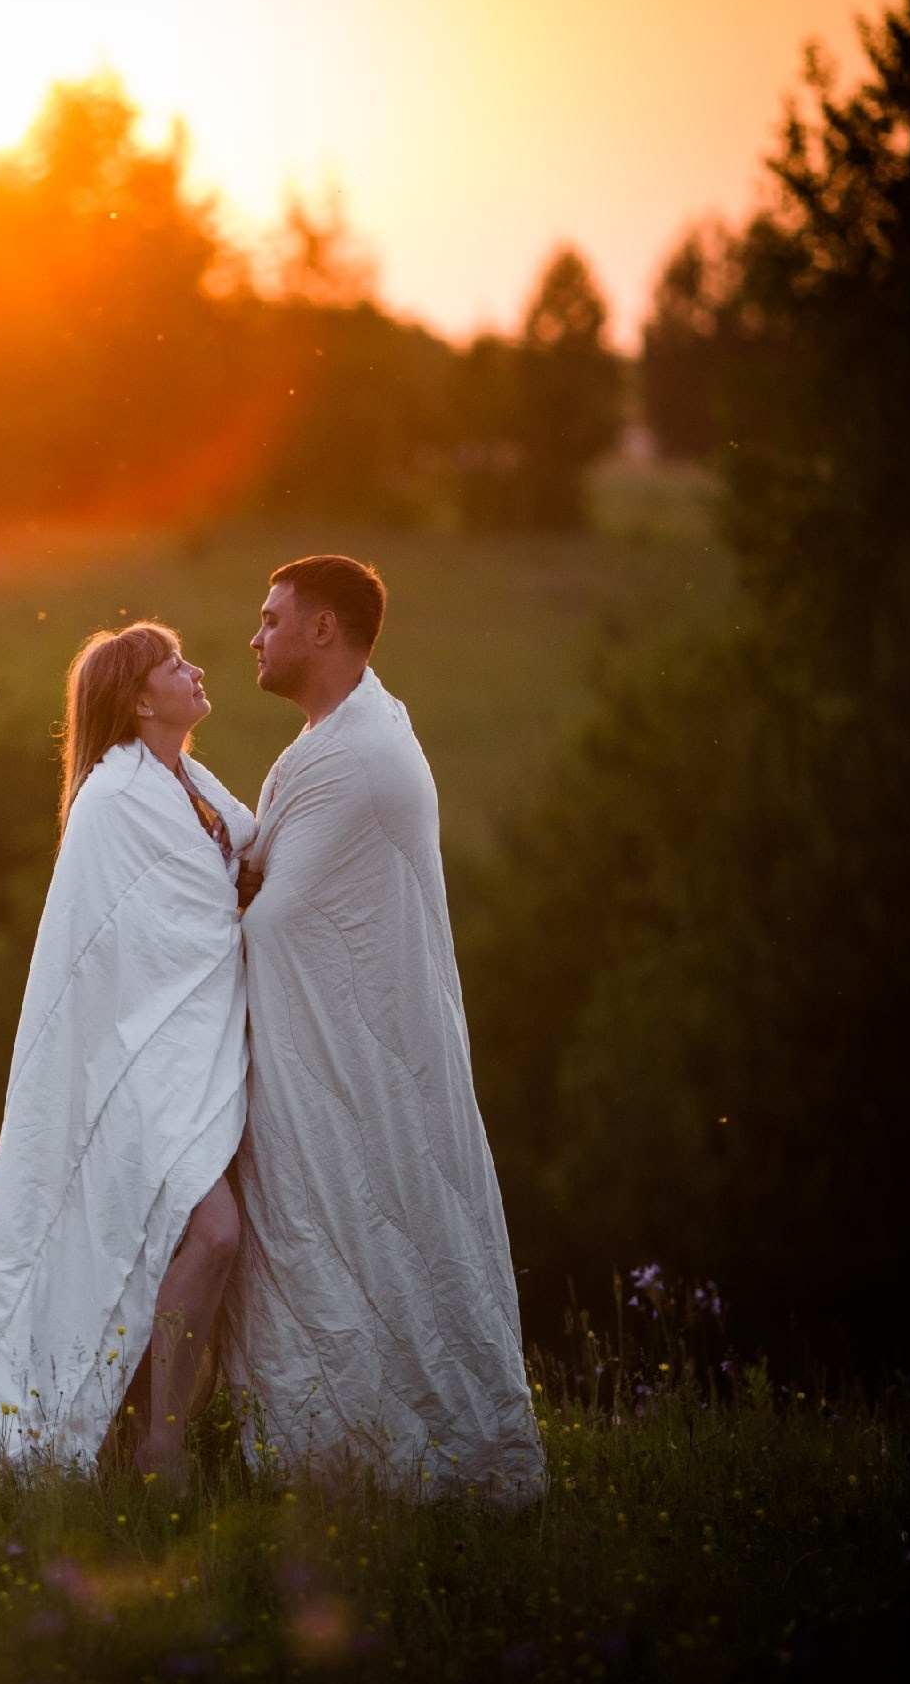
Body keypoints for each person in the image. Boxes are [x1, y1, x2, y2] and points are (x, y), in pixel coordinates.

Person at [220, 555, 545, 1504]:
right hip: (347, 1042)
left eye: (273, 617)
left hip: (362, 1052)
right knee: (356, 1236)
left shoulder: (357, 752)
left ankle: (380, 1454)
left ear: (324, 629)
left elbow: (278, 922)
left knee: (379, 1228)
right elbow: (272, 876)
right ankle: (350, 1446)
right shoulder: (329, 738)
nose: (257, 635)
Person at [0, 621, 253, 1480]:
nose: (198, 669)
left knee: (197, 1238)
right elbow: (127, 953)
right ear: (141, 699)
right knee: (215, 1234)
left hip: (190, 1056)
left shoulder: (192, 784)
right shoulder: (112, 803)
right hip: (133, 1069)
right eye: (177, 666)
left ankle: (148, 1427)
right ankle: (162, 1450)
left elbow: (222, 894)